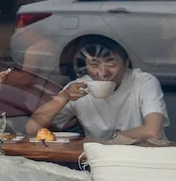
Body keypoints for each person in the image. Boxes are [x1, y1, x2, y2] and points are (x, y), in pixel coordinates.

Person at [29, 42, 168, 143]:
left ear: (126, 63)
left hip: (146, 159)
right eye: (94, 65)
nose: (103, 73)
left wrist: (112, 138)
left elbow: (153, 132)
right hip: (101, 161)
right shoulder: (79, 88)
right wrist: (63, 97)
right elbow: (31, 128)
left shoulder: (143, 82)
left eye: (111, 64)